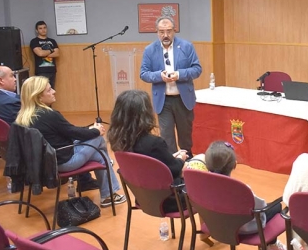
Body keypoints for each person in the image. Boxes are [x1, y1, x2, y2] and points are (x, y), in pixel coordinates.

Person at [16, 76, 125, 207]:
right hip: (64, 162)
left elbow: (68, 132)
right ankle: (107, 193)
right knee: (98, 139)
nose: (54, 91)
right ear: (38, 97)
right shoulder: (50, 115)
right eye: (49, 90)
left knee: (99, 157)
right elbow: (73, 133)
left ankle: (107, 178)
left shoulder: (22, 118)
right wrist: (96, 131)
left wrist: (89, 130)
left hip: (43, 163)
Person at [199, 140, 288, 250]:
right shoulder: (242, 190)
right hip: (244, 229)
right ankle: (268, 246)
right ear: (235, 165)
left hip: (215, 224)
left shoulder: (199, 185)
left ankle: (270, 246)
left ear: (207, 164)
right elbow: (260, 208)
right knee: (276, 206)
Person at [108, 89, 188, 212]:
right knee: (201, 164)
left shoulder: (118, 141)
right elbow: (174, 170)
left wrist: (172, 158)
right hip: (171, 200)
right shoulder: (154, 143)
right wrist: (180, 159)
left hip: (143, 198)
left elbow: (156, 164)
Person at [140, 16, 202, 158]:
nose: (165, 35)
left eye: (169, 31)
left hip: (183, 99)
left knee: (185, 135)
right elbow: (143, 74)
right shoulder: (149, 50)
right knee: (166, 135)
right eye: (162, 32)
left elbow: (197, 69)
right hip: (163, 100)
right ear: (157, 32)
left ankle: (188, 161)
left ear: (174, 30)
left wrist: (179, 74)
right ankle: (173, 165)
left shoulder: (187, 46)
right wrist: (159, 76)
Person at [30, 20, 60, 88]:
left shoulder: (52, 41)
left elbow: (57, 53)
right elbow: (40, 54)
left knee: (51, 90)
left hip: (52, 70)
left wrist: (45, 53)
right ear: (37, 30)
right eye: (40, 28)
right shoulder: (34, 41)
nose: (43, 30)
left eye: (44, 28)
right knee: (42, 91)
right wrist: (51, 50)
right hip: (41, 71)